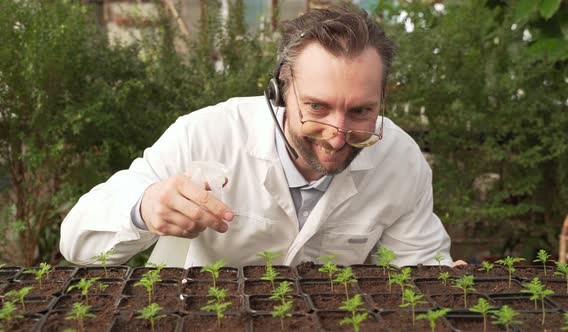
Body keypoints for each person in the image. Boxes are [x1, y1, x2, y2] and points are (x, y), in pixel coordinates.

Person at [60, 5, 457, 268]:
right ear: (280, 92)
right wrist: (143, 210)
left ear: (382, 100)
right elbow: (76, 240)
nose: (338, 137)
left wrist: (444, 286)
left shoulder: (401, 160)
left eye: (360, 111)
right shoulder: (206, 134)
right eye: (317, 107)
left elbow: (418, 264)